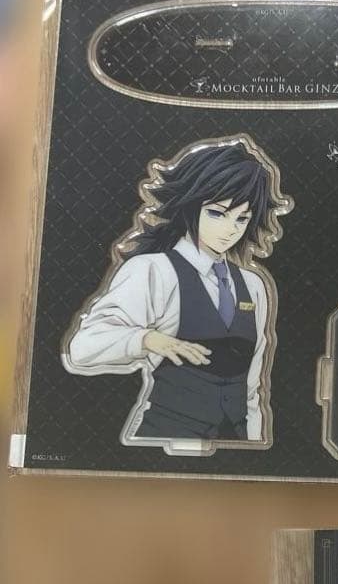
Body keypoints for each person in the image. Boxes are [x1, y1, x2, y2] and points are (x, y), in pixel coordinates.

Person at [62, 136, 292, 454]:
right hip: (164, 443)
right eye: (217, 213)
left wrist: (252, 446)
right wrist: (147, 339)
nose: (230, 229)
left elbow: (251, 385)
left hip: (233, 446)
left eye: (242, 218)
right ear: (191, 205)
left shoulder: (252, 285)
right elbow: (82, 347)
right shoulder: (154, 270)